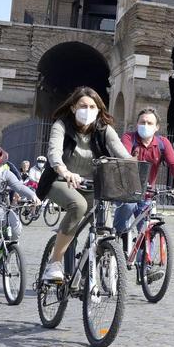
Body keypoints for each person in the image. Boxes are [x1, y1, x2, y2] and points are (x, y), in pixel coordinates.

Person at [37, 87, 133, 282]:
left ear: (98, 109)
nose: (88, 110)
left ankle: (85, 270)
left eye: (92, 106)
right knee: (78, 206)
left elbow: (122, 154)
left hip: (92, 186)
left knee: (104, 228)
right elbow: (54, 152)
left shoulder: (104, 129)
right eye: (83, 106)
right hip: (61, 181)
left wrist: (134, 165)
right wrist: (63, 170)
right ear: (73, 108)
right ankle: (54, 263)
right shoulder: (61, 125)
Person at [113, 107, 174, 252]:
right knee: (127, 210)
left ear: (157, 127)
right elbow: (124, 159)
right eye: (142, 122)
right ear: (137, 124)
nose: (145, 126)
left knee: (148, 230)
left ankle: (147, 268)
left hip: (147, 193)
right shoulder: (129, 138)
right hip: (127, 192)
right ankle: (116, 239)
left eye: (149, 123)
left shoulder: (163, 143)